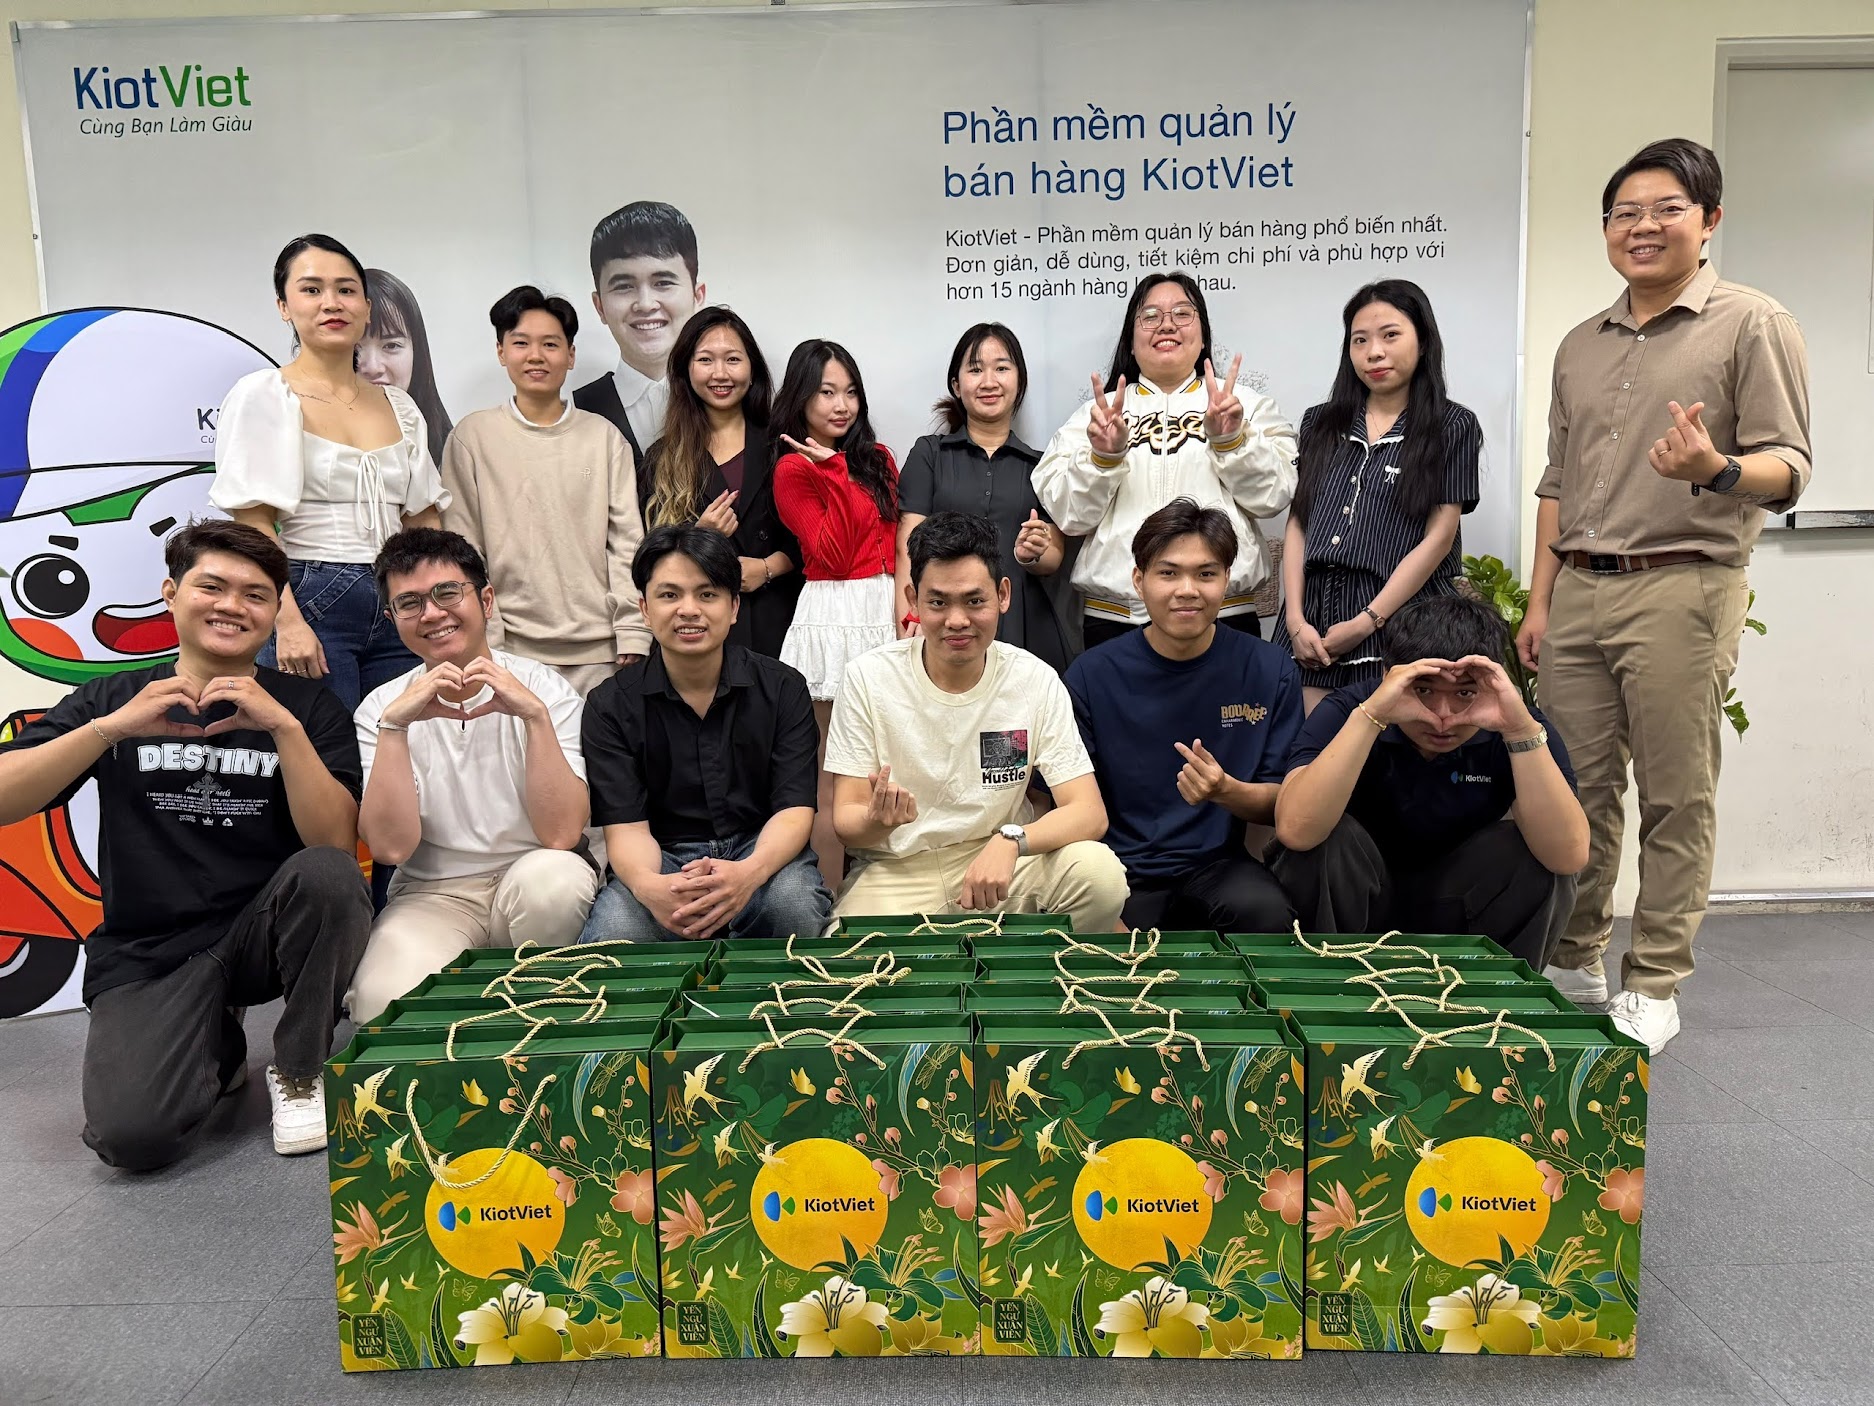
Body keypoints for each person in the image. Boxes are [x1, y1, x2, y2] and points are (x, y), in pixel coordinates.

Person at [1516, 137, 1811, 1053]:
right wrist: (1539, 602)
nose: (1642, 227)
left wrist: (1716, 468)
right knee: (1577, 788)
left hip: (1683, 583)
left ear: (1709, 219)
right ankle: (1575, 956)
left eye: (1665, 209)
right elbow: (1557, 482)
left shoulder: (1752, 323)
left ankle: (1654, 980)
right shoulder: (1580, 344)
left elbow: (1790, 466)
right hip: (1579, 589)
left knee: (1677, 794)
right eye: (1625, 213)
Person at [0, 520, 370, 1168]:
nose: (232, 606)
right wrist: (110, 730)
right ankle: (217, 1045)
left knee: (329, 876)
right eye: (212, 587)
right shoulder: (112, 699)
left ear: (274, 611)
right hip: (152, 948)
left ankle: (299, 1069)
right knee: (132, 1138)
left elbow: (335, 844)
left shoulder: (308, 709)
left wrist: (283, 729)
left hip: (263, 932)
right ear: (171, 593)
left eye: (255, 595)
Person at [826, 511, 1127, 930]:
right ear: (913, 600)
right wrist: (876, 820)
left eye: (974, 601)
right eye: (938, 602)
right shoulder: (868, 677)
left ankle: (1032, 963)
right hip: (900, 870)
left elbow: (1089, 812)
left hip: (1003, 863)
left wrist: (1012, 840)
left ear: (1003, 595)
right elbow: (846, 822)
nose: (957, 620)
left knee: (1100, 876)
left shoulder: (1034, 679)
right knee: (850, 951)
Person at [344, 528, 598, 1022]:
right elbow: (390, 849)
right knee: (381, 1007)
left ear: (485, 600)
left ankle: (536, 1020)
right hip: (432, 894)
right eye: (410, 603)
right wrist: (395, 728)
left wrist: (534, 717)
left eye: (447, 592)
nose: (432, 614)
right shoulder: (381, 707)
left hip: (529, 876)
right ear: (393, 619)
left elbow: (563, 835)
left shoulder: (546, 690)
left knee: (555, 883)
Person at [1270, 596, 1587, 969]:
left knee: (1536, 857)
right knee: (1322, 840)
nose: (1442, 716)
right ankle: (1324, 987)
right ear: (1389, 675)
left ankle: (1496, 993)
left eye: (1464, 693)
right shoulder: (1350, 709)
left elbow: (1567, 856)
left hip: (1457, 902)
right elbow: (1295, 830)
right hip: (1357, 900)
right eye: (1423, 690)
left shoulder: (1517, 723)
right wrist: (1372, 717)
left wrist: (1519, 732)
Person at [211, 233, 450, 713]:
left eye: (346, 289)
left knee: (403, 743)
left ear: (366, 306)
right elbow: (253, 524)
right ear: (284, 306)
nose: (331, 303)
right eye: (311, 289)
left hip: (399, 597)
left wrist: (435, 604)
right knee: (323, 747)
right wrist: (286, 621)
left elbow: (423, 521)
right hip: (309, 594)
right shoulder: (264, 395)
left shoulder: (401, 406)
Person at [579, 524, 831, 943]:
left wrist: (747, 875)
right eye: (669, 595)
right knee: (615, 934)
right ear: (644, 609)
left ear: (734, 607)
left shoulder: (782, 688)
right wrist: (651, 888)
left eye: (707, 594)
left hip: (760, 851)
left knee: (793, 907)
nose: (688, 610)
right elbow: (626, 829)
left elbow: (794, 810)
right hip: (662, 858)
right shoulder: (610, 705)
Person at [1068, 499, 1300, 934]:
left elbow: (1283, 802)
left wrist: (1226, 790)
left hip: (1218, 865)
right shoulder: (1091, 674)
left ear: (1227, 579)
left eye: (1206, 574)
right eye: (1169, 573)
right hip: (1118, 868)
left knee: (1266, 913)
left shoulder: (1269, 669)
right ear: (1139, 581)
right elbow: (1065, 801)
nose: (1188, 590)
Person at [1034, 272, 1295, 648]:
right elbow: (1070, 516)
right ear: (1131, 339)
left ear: (1203, 335)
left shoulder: (1246, 407)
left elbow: (1273, 498)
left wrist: (1232, 441)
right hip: (1117, 621)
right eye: (1151, 315)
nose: (1167, 325)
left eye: (1183, 313)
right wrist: (1103, 458)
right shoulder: (1094, 417)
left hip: (1223, 616)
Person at [1271, 280, 1483, 710]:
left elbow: (1439, 539)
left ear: (1423, 341)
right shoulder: (1319, 422)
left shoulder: (1452, 425)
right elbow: (1298, 524)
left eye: (1390, 335)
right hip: (1313, 622)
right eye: (1360, 340)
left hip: (1403, 619)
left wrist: (1368, 621)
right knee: (1312, 745)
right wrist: (1294, 620)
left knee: (1391, 744)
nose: (1374, 352)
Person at [440, 285, 649, 697]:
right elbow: (463, 548)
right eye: (521, 343)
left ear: (570, 355)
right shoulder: (472, 437)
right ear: (501, 351)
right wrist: (486, 637)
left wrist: (632, 629)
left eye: (550, 344)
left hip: (601, 651)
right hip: (509, 650)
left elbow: (626, 542)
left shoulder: (605, 438)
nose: (536, 356)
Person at [771, 339, 899, 888]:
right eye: (826, 392)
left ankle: (883, 891)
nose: (841, 405)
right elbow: (835, 555)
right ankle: (825, 904)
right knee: (832, 778)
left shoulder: (879, 458)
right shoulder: (792, 469)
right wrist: (835, 472)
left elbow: (893, 540)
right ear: (801, 397)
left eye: (850, 392)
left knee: (889, 768)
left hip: (884, 609)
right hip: (833, 613)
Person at [895, 323, 1071, 672]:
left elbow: (1054, 558)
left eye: (1001, 368)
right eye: (975, 370)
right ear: (956, 385)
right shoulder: (930, 454)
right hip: (948, 615)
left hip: (1023, 620)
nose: (989, 382)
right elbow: (907, 546)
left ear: (1019, 382)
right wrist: (911, 619)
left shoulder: (1043, 464)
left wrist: (1034, 552)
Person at [638, 306, 802, 660]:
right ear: (686, 370)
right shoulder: (662, 458)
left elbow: (814, 540)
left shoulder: (783, 445)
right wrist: (699, 537)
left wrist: (767, 568)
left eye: (732, 359)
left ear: (752, 369)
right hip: (697, 630)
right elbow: (647, 558)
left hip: (779, 621)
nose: (720, 373)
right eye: (705, 360)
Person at [572, 200, 704, 461]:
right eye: (624, 286)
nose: (645, 304)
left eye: (663, 282)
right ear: (599, 306)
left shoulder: (730, 404)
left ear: (697, 296)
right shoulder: (578, 413)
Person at [357, 268, 455, 468]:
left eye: (391, 345)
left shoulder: (453, 452)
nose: (373, 367)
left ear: (416, 351)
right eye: (352, 349)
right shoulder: (303, 436)